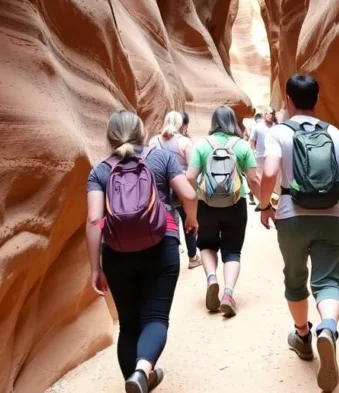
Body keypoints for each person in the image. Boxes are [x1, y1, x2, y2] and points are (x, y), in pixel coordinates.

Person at [258, 74, 339, 392]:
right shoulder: (334, 133)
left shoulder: (278, 133)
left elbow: (270, 172)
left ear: (288, 101)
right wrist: (334, 192)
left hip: (291, 216)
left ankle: (303, 336)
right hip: (331, 218)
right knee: (328, 281)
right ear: (316, 101)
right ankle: (327, 328)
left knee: (295, 278)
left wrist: (266, 205)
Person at [86, 110, 199, 393]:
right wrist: (192, 220)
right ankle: (142, 372)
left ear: (109, 136)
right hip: (163, 243)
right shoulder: (160, 158)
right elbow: (188, 194)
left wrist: (95, 267)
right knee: (156, 318)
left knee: (128, 324)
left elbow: (93, 220)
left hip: (116, 252)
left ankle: (139, 379)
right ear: (141, 131)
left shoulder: (100, 170)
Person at [185, 106, 260, 317]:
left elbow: (190, 177)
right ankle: (228, 293)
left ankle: (212, 279)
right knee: (232, 250)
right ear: (233, 122)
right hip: (236, 204)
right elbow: (254, 179)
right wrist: (265, 205)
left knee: (207, 244)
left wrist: (194, 197)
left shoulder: (202, 145)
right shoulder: (242, 146)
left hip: (206, 204)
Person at [148, 111, 201, 269]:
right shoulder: (184, 142)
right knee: (189, 221)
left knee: (166, 221)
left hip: (160, 188)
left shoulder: (153, 141)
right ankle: (192, 257)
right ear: (180, 124)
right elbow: (192, 168)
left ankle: (169, 255)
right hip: (181, 186)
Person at [249, 107, 275, 210]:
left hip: (272, 156)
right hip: (259, 156)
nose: (271, 115)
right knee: (259, 179)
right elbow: (252, 140)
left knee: (270, 178)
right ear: (264, 115)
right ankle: (261, 200)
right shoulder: (257, 127)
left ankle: (269, 200)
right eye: (269, 113)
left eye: (273, 114)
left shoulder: (275, 127)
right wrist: (253, 151)